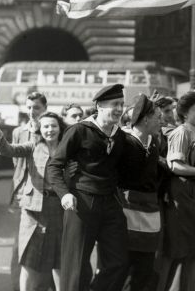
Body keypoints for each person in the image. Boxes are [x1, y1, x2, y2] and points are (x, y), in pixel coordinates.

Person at [47, 84, 131, 291]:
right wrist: (65, 194)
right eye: (115, 104)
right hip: (82, 203)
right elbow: (54, 165)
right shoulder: (79, 131)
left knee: (119, 262)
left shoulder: (120, 135)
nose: (120, 109)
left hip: (110, 202)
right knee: (75, 265)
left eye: (122, 104)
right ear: (100, 106)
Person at [0, 112, 66, 291]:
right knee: (29, 259)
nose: (50, 130)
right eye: (46, 126)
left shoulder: (67, 148)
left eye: (54, 126)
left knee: (60, 259)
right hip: (33, 209)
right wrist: (0, 140)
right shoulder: (33, 146)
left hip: (60, 208)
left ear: (60, 127)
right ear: (40, 128)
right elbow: (9, 150)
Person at [157, 91, 195, 291]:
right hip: (181, 194)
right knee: (182, 249)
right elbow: (175, 166)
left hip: (192, 193)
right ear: (184, 114)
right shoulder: (182, 132)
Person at [118, 94, 163, 291]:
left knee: (145, 266)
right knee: (126, 267)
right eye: (158, 117)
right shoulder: (124, 142)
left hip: (150, 213)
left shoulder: (154, 142)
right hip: (127, 211)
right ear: (145, 119)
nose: (162, 122)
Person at [10, 92, 47, 291]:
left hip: (41, 195)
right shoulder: (18, 132)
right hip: (21, 194)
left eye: (37, 108)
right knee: (20, 246)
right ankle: (17, 287)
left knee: (42, 245)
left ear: (45, 109)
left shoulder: (49, 131)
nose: (32, 112)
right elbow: (17, 163)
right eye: (29, 107)